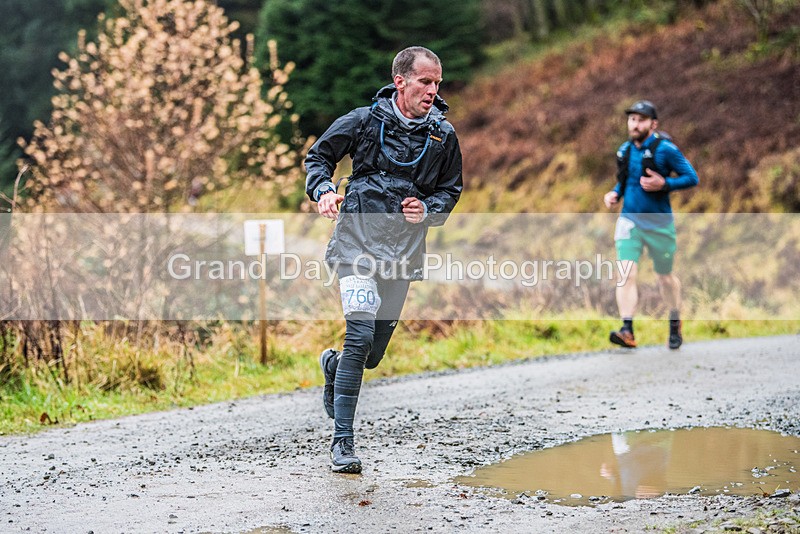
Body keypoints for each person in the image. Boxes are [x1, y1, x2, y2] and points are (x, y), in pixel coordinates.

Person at [304, 46, 462, 473]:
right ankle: (342, 444)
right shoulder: (362, 121)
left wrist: (428, 210)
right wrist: (323, 191)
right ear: (400, 81)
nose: (433, 90)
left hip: (404, 253)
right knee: (358, 337)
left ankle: (333, 367)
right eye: (425, 82)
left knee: (371, 354)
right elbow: (318, 157)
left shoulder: (443, 136)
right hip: (357, 244)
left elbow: (451, 190)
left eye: (437, 83)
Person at [603, 100, 698, 350]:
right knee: (626, 273)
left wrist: (665, 184)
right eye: (632, 119)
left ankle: (675, 319)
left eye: (641, 120)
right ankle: (627, 330)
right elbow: (624, 182)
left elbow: (692, 177)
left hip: (659, 224)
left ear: (653, 124)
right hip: (629, 221)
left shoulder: (665, 150)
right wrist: (614, 194)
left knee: (665, 278)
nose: (635, 124)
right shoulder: (624, 150)